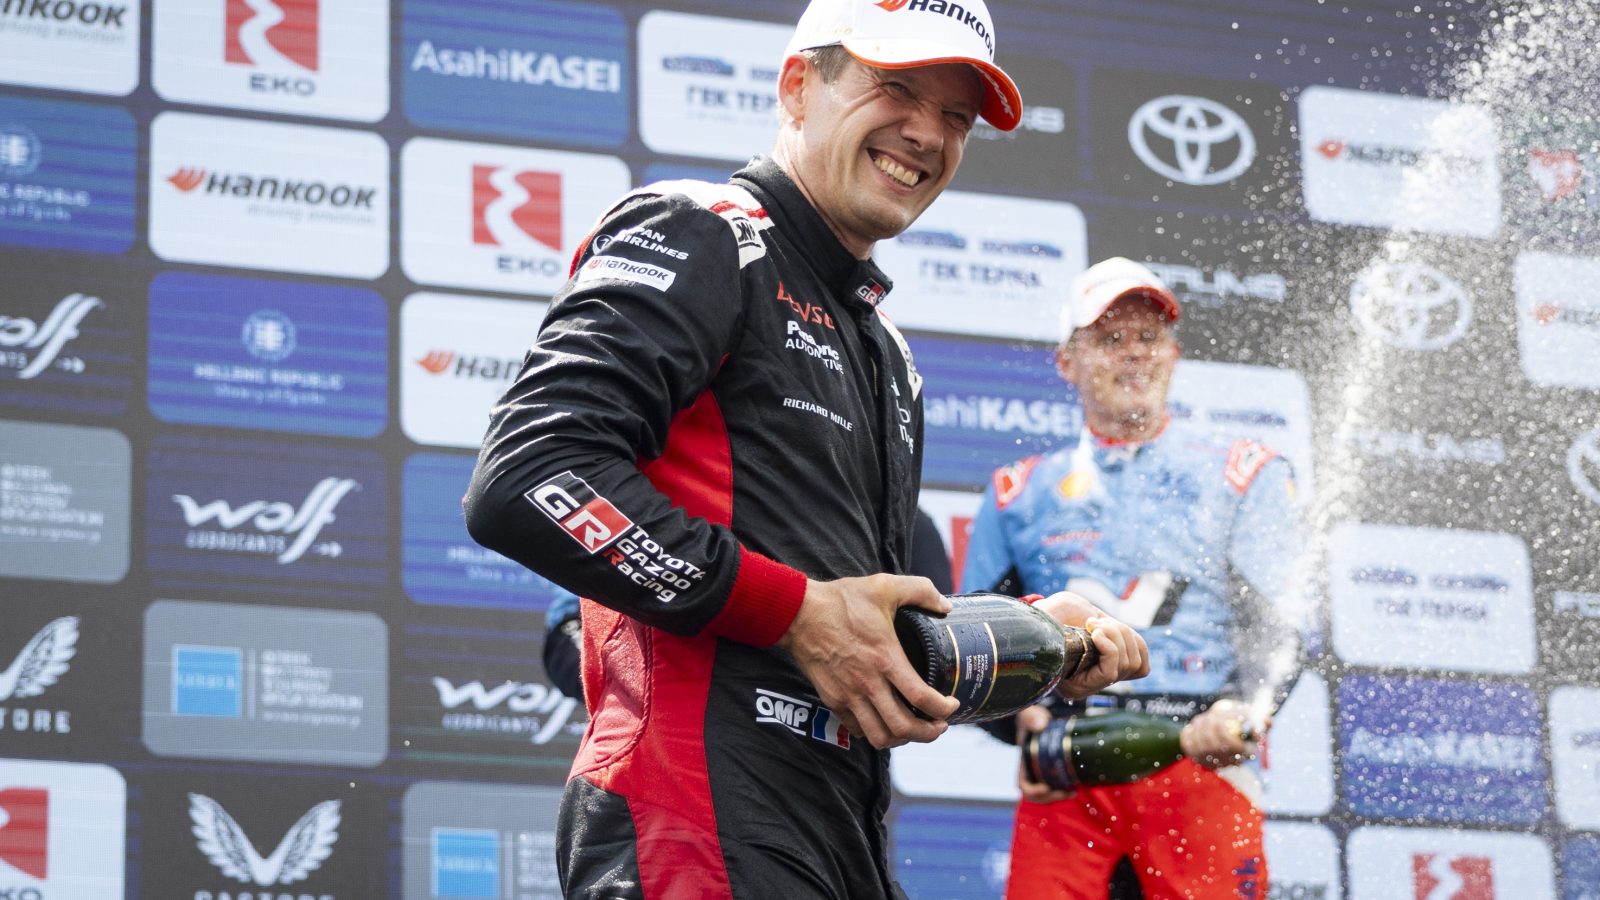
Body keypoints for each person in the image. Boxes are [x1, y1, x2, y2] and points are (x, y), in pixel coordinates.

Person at [462, 2, 1150, 896]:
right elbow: (529, 474)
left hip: (839, 833)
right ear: (798, 86)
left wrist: (1039, 643)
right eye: (895, 89)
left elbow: (869, 633)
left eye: (955, 115)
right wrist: (794, 613)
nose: (927, 133)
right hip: (690, 817)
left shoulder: (885, 350)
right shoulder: (704, 231)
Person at [961, 257, 1307, 899]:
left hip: (1198, 757)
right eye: (1110, 338)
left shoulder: (1244, 473)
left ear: (1174, 354)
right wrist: (1015, 720)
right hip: (1070, 769)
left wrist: (1240, 708)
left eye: (1149, 337)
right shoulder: (1018, 491)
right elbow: (975, 643)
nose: (1134, 354)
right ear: (1067, 362)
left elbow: (1279, 630)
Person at [543, 508, 953, 703]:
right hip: (679, 764)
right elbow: (569, 636)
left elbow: (940, 657)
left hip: (840, 788)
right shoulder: (683, 487)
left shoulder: (907, 523)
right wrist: (665, 684)